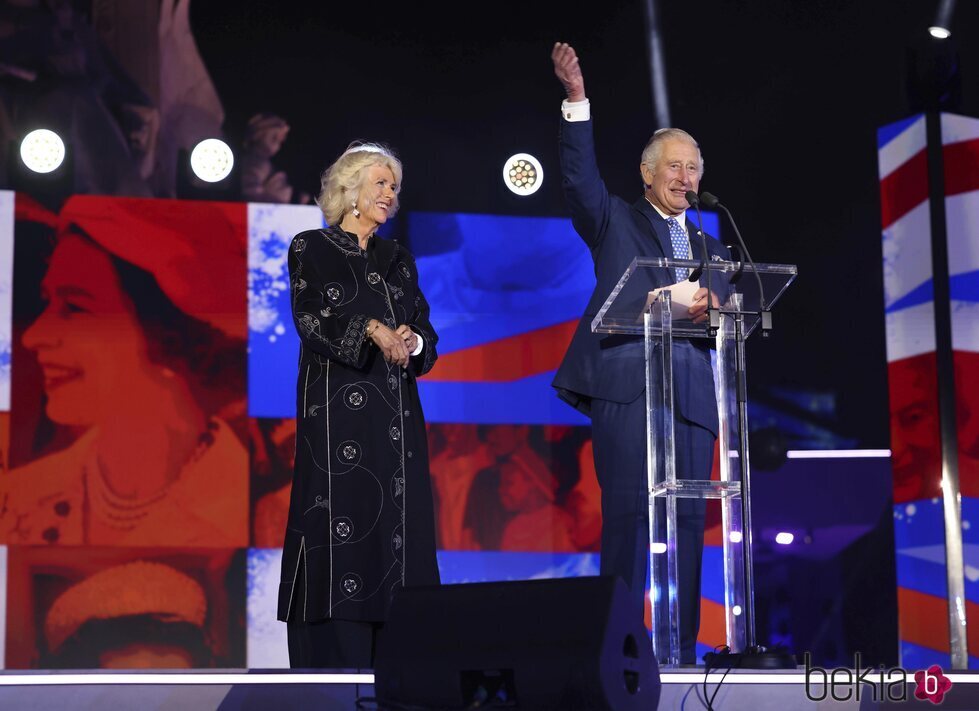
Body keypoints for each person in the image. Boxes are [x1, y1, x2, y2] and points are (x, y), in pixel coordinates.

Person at [550, 43, 730, 664]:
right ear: (648, 174)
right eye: (674, 168)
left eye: (694, 169)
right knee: (628, 524)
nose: (686, 179)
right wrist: (577, 102)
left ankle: (680, 652)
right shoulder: (614, 221)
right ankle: (618, 653)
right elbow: (578, 181)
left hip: (693, 399)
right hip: (630, 391)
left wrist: (719, 307)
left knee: (686, 529)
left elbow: (730, 315)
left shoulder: (713, 240)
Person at [1, 195, 249, 548]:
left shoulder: (255, 513)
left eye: (75, 308)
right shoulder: (18, 497)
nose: (34, 336)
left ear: (168, 332)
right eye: (48, 304)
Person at [277, 141, 440, 669]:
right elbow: (308, 318)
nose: (390, 195)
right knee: (339, 528)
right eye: (380, 183)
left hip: (396, 422)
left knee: (401, 536)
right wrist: (369, 328)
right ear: (349, 190)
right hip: (337, 423)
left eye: (394, 187)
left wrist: (412, 342)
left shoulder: (399, 261)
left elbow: (427, 337)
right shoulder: (311, 247)